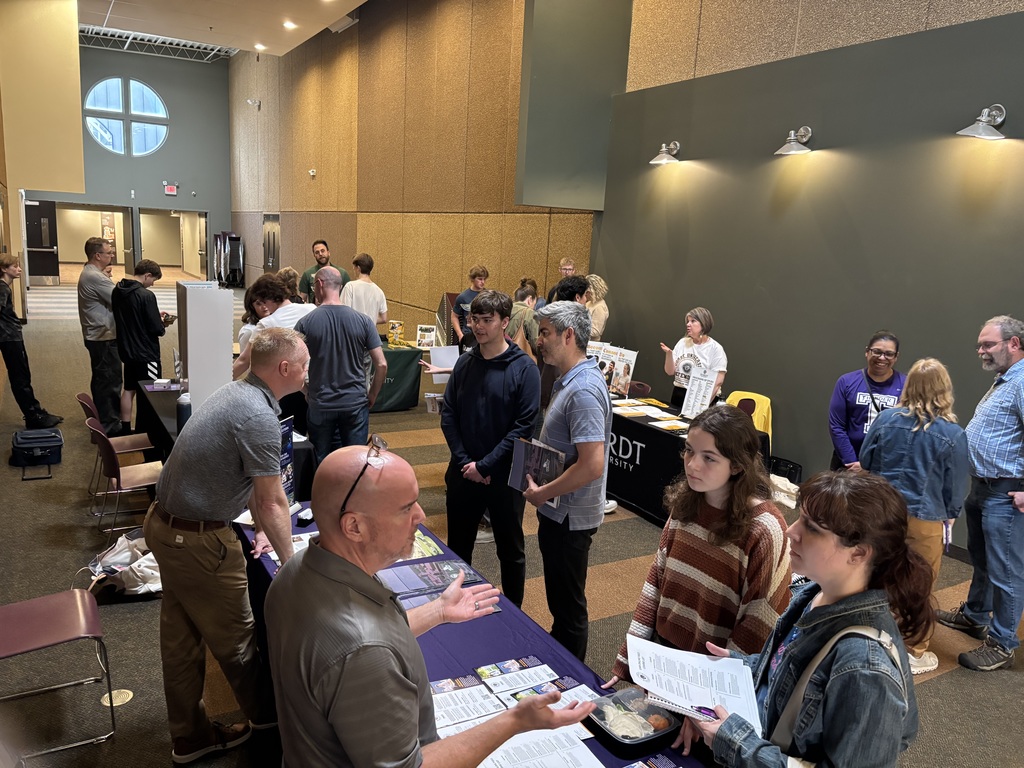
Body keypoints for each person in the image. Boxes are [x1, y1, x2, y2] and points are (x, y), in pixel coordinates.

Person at [264, 444, 595, 768]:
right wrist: (514, 721)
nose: (421, 516)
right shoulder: (364, 653)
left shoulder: (294, 571)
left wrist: (437, 611)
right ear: (354, 527)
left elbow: (362, 641)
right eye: (406, 508)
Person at [679, 471, 929, 767]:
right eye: (800, 518)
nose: (791, 531)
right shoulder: (815, 593)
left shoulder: (865, 666)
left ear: (858, 553)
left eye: (812, 528)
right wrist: (741, 665)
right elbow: (790, 677)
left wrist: (737, 744)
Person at [143, 327, 309, 764]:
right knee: (239, 644)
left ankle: (190, 737)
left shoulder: (236, 392)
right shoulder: (258, 416)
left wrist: (262, 530)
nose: (308, 373)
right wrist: (291, 564)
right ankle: (272, 731)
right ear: (285, 368)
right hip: (199, 543)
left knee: (181, 638)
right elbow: (271, 500)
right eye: (304, 365)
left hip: (166, 528)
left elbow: (245, 479)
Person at [605, 405, 790, 687]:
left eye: (709, 458)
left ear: (737, 465)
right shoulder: (686, 504)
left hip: (712, 673)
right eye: (689, 451)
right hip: (665, 652)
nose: (692, 465)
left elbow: (758, 623)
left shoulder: (765, 528)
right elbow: (656, 581)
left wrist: (715, 689)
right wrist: (630, 655)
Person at [860, 358, 969, 674]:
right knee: (918, 584)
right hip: (925, 517)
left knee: (874, 572)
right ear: (944, 390)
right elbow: (955, 485)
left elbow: (866, 459)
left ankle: (867, 633)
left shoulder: (886, 419)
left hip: (882, 512)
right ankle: (914, 651)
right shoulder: (952, 434)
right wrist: (951, 514)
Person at [441, 291, 540, 608]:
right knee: (458, 547)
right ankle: (457, 607)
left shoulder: (524, 369)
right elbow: (448, 415)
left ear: (505, 322)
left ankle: (516, 614)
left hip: (505, 476)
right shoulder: (465, 362)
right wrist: (466, 462)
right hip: (463, 472)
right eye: (474, 319)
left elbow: (523, 427)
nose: (479, 327)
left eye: (487, 320)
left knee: (510, 550)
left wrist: (485, 466)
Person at [524, 301, 612, 660]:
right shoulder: (571, 380)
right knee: (561, 602)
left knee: (569, 607)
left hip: (569, 516)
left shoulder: (583, 390)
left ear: (568, 335)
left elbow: (592, 465)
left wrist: (543, 493)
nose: (539, 340)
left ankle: (573, 674)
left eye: (545, 332)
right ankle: (560, 655)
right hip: (559, 512)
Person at [937, 315, 1024, 672]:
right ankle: (974, 615)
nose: (981, 351)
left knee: (1006, 570)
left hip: (1007, 492)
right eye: (979, 345)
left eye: (988, 344)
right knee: (983, 558)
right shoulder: (1005, 381)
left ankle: (1003, 644)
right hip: (983, 487)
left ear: (1014, 343)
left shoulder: (1022, 382)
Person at [295, 267, 387, 462]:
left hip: (321, 403)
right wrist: (372, 394)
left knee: (320, 459)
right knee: (355, 460)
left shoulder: (305, 323)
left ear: (319, 284)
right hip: (355, 402)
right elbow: (381, 365)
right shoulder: (364, 321)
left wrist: (306, 391)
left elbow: (293, 364)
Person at [111, 259, 174, 434]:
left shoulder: (118, 290)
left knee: (129, 390)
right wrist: (163, 323)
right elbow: (156, 328)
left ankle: (125, 429)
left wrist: (153, 314)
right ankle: (145, 433)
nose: (152, 284)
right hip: (147, 354)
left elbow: (133, 316)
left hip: (127, 350)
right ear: (147, 275)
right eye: (153, 280)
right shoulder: (146, 296)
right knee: (150, 395)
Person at [827, 330, 905, 471]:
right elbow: (836, 426)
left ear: (896, 357)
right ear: (867, 352)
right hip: (848, 464)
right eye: (877, 352)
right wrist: (852, 462)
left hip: (886, 466)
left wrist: (880, 465)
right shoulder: (846, 382)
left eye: (889, 354)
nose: (882, 358)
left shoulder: (906, 385)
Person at [0, 254, 62, 429]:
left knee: (22, 375)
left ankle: (35, 411)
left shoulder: (5, 288)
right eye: (14, 266)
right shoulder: (2, 289)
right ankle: (33, 415)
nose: (19, 269)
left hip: (11, 336)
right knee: (20, 377)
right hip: (9, 338)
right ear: (4, 269)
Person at [78, 237, 122, 435]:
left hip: (98, 335)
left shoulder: (92, 273)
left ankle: (104, 420)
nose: (112, 255)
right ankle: (110, 426)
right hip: (102, 337)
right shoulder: (95, 277)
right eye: (109, 252)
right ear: (97, 255)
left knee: (102, 378)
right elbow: (120, 300)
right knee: (109, 381)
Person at [660, 306, 727, 410]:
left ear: (704, 324)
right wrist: (669, 354)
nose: (688, 324)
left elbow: (718, 382)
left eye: (693, 321)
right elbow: (670, 372)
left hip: (702, 398)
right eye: (688, 321)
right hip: (679, 394)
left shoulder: (715, 349)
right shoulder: (682, 342)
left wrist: (702, 406)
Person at [339, 252, 388, 325]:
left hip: (354, 330)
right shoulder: (379, 291)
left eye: (354, 268)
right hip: (370, 331)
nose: (354, 270)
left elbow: (343, 313)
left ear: (358, 268)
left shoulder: (350, 286)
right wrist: (371, 319)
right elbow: (384, 318)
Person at [451, 264, 488, 351]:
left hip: (483, 334)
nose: (483, 282)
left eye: (484, 279)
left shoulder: (488, 296)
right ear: (472, 279)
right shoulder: (462, 297)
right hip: (468, 336)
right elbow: (454, 316)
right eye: (480, 279)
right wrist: (460, 334)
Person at [506, 278, 539, 359]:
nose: (534, 306)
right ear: (530, 299)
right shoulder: (529, 313)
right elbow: (535, 343)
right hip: (521, 360)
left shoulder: (505, 310)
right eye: (534, 302)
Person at [585, 274, 609, 341]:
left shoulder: (600, 307)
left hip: (591, 343)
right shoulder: (589, 303)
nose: (585, 293)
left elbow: (596, 331)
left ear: (593, 291)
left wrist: (577, 329)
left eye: (587, 291)